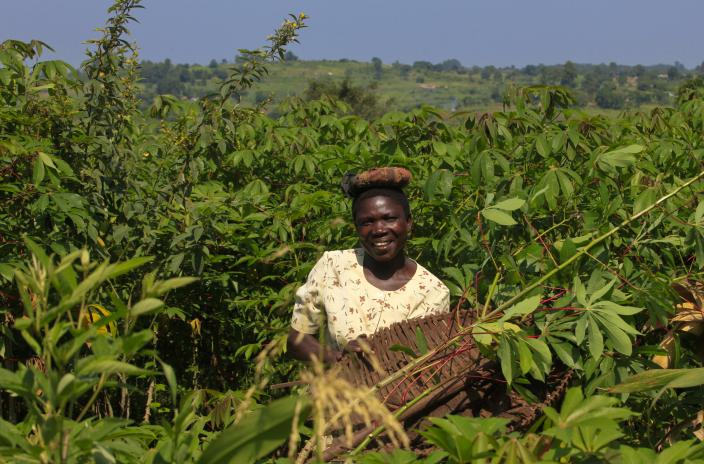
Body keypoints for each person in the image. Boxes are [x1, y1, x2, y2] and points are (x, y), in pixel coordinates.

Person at [287, 167, 450, 363]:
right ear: (356, 228)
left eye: (389, 218)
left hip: (402, 392)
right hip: (337, 390)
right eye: (367, 222)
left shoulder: (433, 292)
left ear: (408, 222)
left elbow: (429, 360)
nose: (379, 229)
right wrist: (338, 358)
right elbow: (297, 339)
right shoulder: (333, 267)